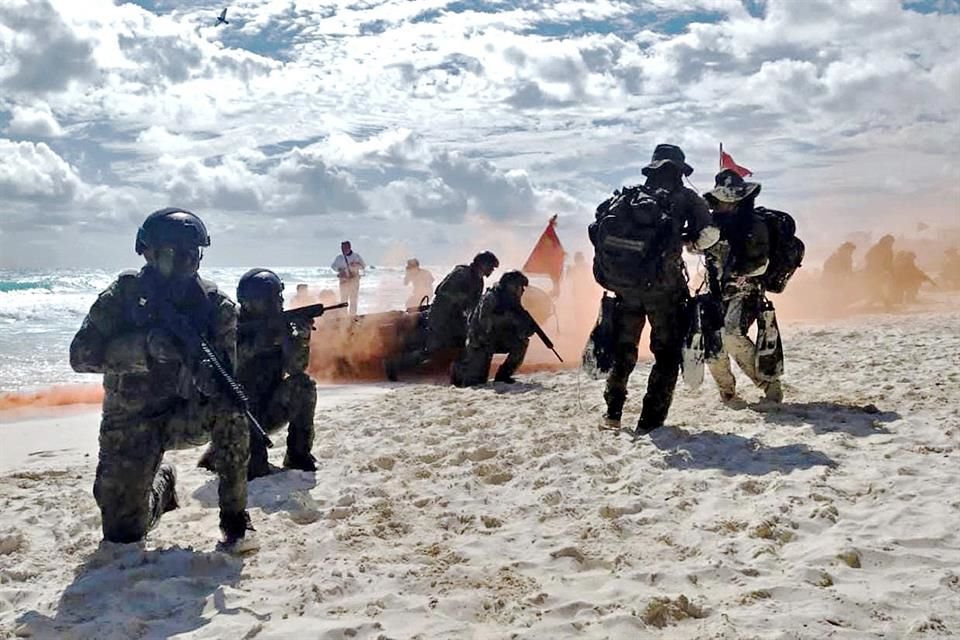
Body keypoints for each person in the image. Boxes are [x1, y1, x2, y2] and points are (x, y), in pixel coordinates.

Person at [69, 208, 252, 548]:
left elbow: (227, 379)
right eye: (173, 255)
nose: (185, 264)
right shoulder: (123, 296)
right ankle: (163, 479)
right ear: (148, 254)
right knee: (122, 532)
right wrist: (144, 347)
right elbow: (79, 356)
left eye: (192, 254)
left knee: (233, 410)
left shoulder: (217, 308)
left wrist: (206, 377)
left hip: (182, 416)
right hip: (130, 421)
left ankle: (236, 521)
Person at [590, 144, 719, 436]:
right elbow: (708, 236)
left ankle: (612, 413)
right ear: (680, 170)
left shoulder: (628, 196)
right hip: (664, 290)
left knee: (623, 351)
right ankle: (649, 423)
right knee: (666, 354)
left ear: (652, 168)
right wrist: (687, 242)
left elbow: (596, 230)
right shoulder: (686, 197)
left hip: (625, 288)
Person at [702, 169, 783, 405]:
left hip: (747, 291)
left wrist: (738, 275)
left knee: (732, 336)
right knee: (713, 341)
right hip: (717, 293)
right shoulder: (712, 226)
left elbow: (761, 264)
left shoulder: (755, 225)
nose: (725, 205)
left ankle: (768, 383)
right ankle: (727, 392)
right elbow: (699, 247)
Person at [232, 269, 317, 478]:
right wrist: (264, 340)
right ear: (248, 303)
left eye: (279, 297)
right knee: (255, 471)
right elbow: (230, 360)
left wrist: (301, 339)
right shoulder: (231, 324)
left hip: (270, 406)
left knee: (303, 385)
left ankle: (298, 455)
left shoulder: (280, 324)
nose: (277, 303)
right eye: (269, 300)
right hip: (239, 412)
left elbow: (295, 368)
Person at [385, 251, 499, 381]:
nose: (491, 270)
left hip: (456, 318)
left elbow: (473, 303)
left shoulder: (478, 280)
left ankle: (460, 371)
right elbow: (442, 291)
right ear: (483, 264)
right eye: (491, 266)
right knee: (433, 347)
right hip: (442, 315)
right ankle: (395, 364)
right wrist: (462, 300)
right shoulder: (462, 274)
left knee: (464, 343)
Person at [451, 271, 536, 386]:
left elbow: (519, 327)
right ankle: (459, 368)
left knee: (521, 343)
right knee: (475, 382)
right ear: (510, 286)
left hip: (495, 339)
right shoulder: (491, 298)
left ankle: (503, 376)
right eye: (519, 286)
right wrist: (506, 319)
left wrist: (523, 329)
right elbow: (484, 321)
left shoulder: (513, 302)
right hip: (480, 341)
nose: (521, 290)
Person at [331, 240, 365, 316]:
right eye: (342, 248)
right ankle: (343, 315)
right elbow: (333, 266)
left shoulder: (356, 256)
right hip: (344, 281)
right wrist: (340, 270)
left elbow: (363, 266)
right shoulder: (339, 258)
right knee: (343, 299)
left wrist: (356, 265)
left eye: (344, 248)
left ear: (349, 247)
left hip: (354, 280)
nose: (343, 250)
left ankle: (352, 315)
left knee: (353, 299)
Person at [862, 235, 896, 307]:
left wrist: (891, 271)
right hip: (873, 271)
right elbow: (869, 258)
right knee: (877, 286)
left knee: (882, 286)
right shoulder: (877, 248)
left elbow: (889, 262)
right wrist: (880, 269)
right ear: (885, 241)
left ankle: (884, 300)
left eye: (892, 242)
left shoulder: (889, 250)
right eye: (889, 241)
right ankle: (883, 301)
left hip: (883, 271)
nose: (891, 243)